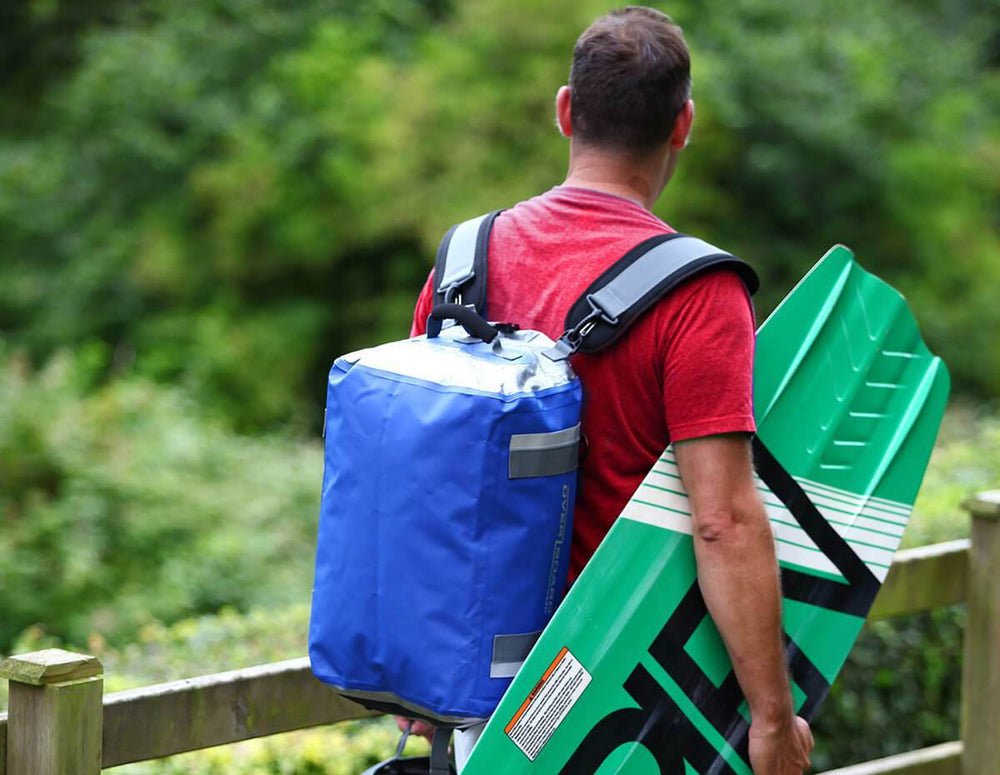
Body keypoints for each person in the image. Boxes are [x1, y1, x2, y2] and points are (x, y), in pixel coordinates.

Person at [403, 7, 813, 774]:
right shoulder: (700, 294)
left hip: (478, 694)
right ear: (683, 124)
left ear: (565, 110)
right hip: (617, 695)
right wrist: (771, 715)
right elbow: (722, 520)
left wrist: (413, 662)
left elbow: (421, 483)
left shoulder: (464, 263)